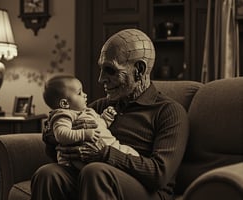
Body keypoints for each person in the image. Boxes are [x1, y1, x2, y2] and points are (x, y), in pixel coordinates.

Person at [31, 29, 189, 200]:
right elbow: (57, 147)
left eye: (110, 70)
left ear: (139, 70)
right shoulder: (100, 106)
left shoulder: (169, 111)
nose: (101, 79)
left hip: (148, 190)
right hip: (96, 177)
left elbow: (159, 174)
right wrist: (56, 137)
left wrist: (104, 154)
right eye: (101, 69)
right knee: (47, 174)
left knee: (95, 171)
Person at [43, 75, 139, 169]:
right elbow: (61, 134)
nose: (85, 95)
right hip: (84, 158)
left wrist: (106, 118)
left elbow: (99, 125)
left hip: (109, 147)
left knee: (132, 154)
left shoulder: (87, 111)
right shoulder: (64, 115)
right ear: (64, 103)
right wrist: (84, 134)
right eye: (79, 93)